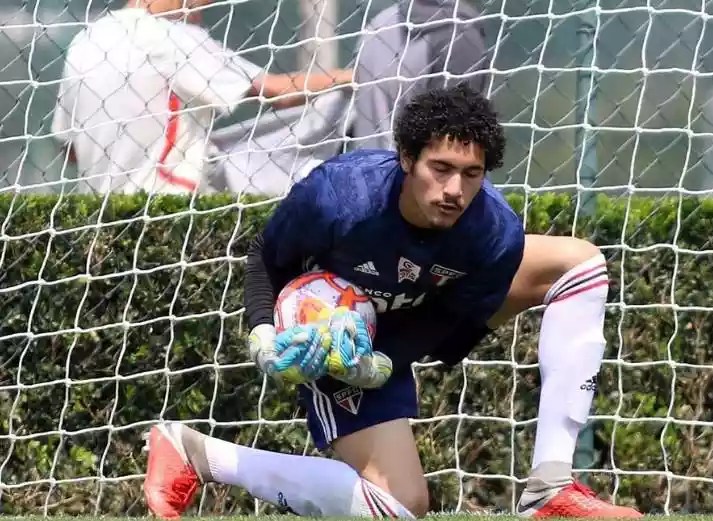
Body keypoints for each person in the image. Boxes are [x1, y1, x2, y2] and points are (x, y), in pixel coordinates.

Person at [142, 84, 644, 519]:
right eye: (440, 168)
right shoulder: (340, 196)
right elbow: (267, 257)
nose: (454, 190)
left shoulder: (493, 233)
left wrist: (384, 361)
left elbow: (449, 320)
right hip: (327, 336)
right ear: (407, 158)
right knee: (400, 507)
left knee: (580, 262)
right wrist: (264, 333)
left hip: (403, 326)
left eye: (471, 174)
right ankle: (197, 455)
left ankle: (551, 485)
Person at [50, 0, 351, 195]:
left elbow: (70, 149)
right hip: (169, 206)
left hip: (96, 209)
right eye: (202, 4)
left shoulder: (87, 39)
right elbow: (277, 92)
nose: (200, 13)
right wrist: (356, 74)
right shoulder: (171, 38)